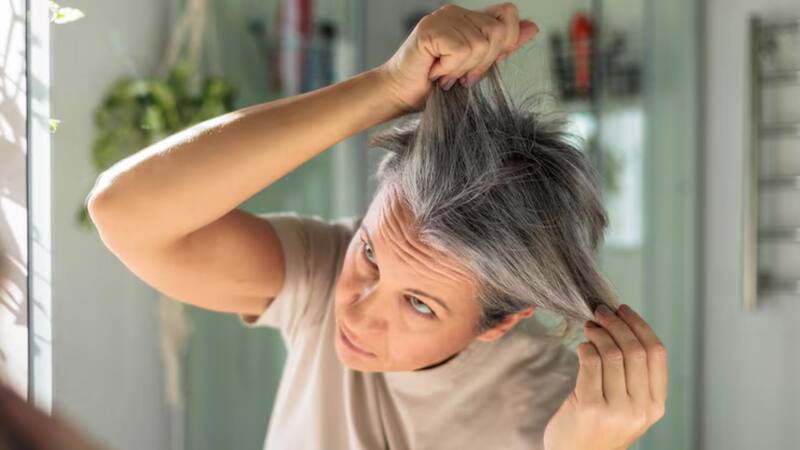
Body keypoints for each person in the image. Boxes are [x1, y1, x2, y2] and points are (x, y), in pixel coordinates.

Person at [87, 2, 668, 450]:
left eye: (419, 304)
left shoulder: (551, 412)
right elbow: (125, 211)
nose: (357, 309)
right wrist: (386, 88)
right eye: (369, 251)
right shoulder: (322, 273)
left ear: (502, 323)